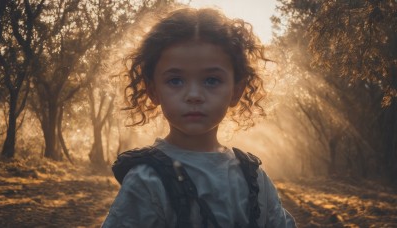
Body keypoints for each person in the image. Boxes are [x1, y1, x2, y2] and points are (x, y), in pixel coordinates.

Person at [102, 7, 296, 228]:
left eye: (211, 80)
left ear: (236, 91)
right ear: (152, 90)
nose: (194, 95)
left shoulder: (254, 177)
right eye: (175, 81)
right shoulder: (146, 180)